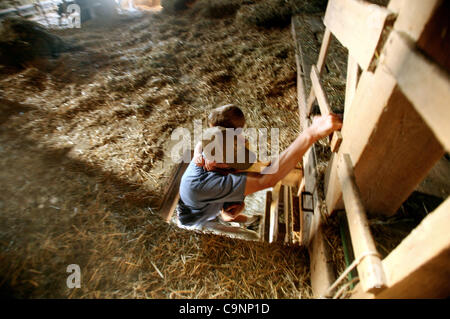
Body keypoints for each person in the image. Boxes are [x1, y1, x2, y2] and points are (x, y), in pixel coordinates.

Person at [177, 105, 342, 229]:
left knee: (230, 213)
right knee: (221, 229)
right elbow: (266, 180)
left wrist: (228, 210)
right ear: (219, 164)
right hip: (196, 219)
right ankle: (237, 222)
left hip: (208, 201)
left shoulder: (212, 146)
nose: (238, 168)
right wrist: (312, 133)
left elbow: (201, 143)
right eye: (233, 166)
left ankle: (229, 216)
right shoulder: (201, 186)